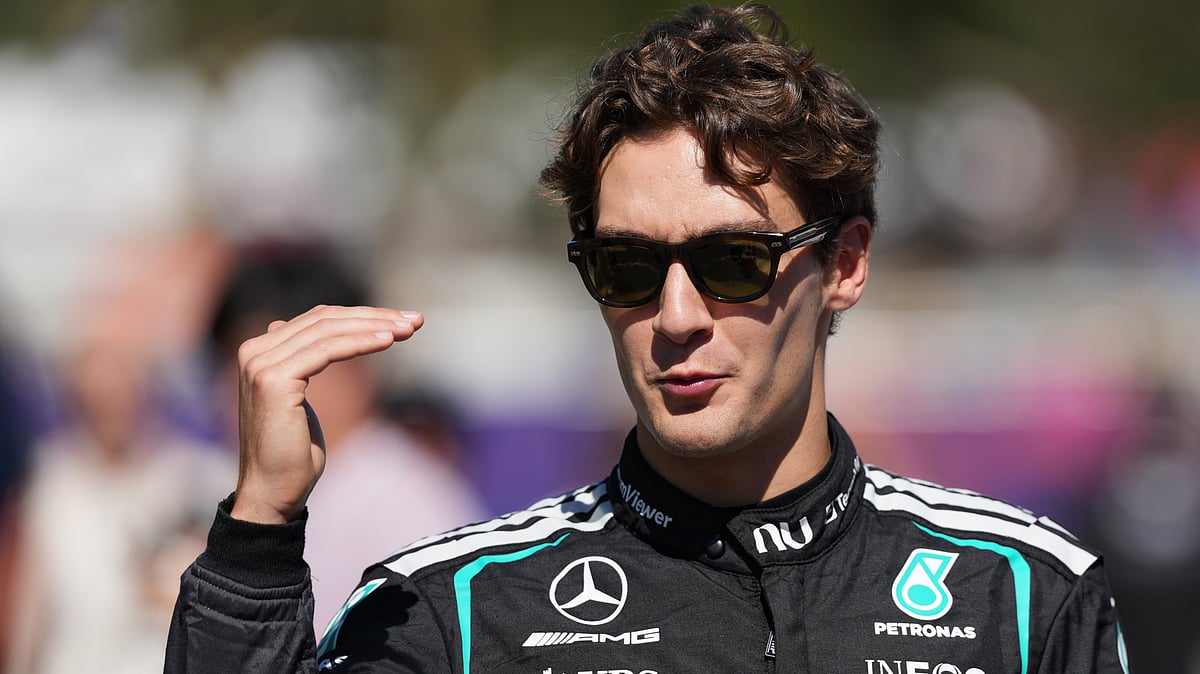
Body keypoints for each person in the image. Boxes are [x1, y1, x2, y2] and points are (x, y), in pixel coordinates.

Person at [166, 4, 1130, 672]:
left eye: (732, 263)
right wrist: (257, 536)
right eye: (627, 270)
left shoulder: (1023, 593)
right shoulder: (455, 611)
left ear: (844, 265)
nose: (674, 318)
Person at [204, 240, 487, 631]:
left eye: (283, 368)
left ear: (355, 364)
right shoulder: (231, 485)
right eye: (238, 370)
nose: (248, 391)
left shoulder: (407, 505)